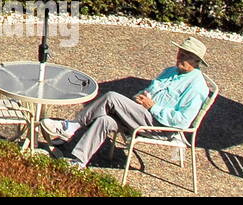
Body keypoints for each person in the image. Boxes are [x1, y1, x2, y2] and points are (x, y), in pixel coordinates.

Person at [41, 37, 210, 168]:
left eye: (187, 56)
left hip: (159, 126)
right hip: (141, 114)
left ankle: (72, 126)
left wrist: (153, 107)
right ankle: (78, 161)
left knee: (112, 97)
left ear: (197, 62)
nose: (181, 57)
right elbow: (150, 90)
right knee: (104, 120)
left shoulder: (196, 87)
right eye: (180, 52)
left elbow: (182, 122)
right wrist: (140, 97)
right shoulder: (170, 71)